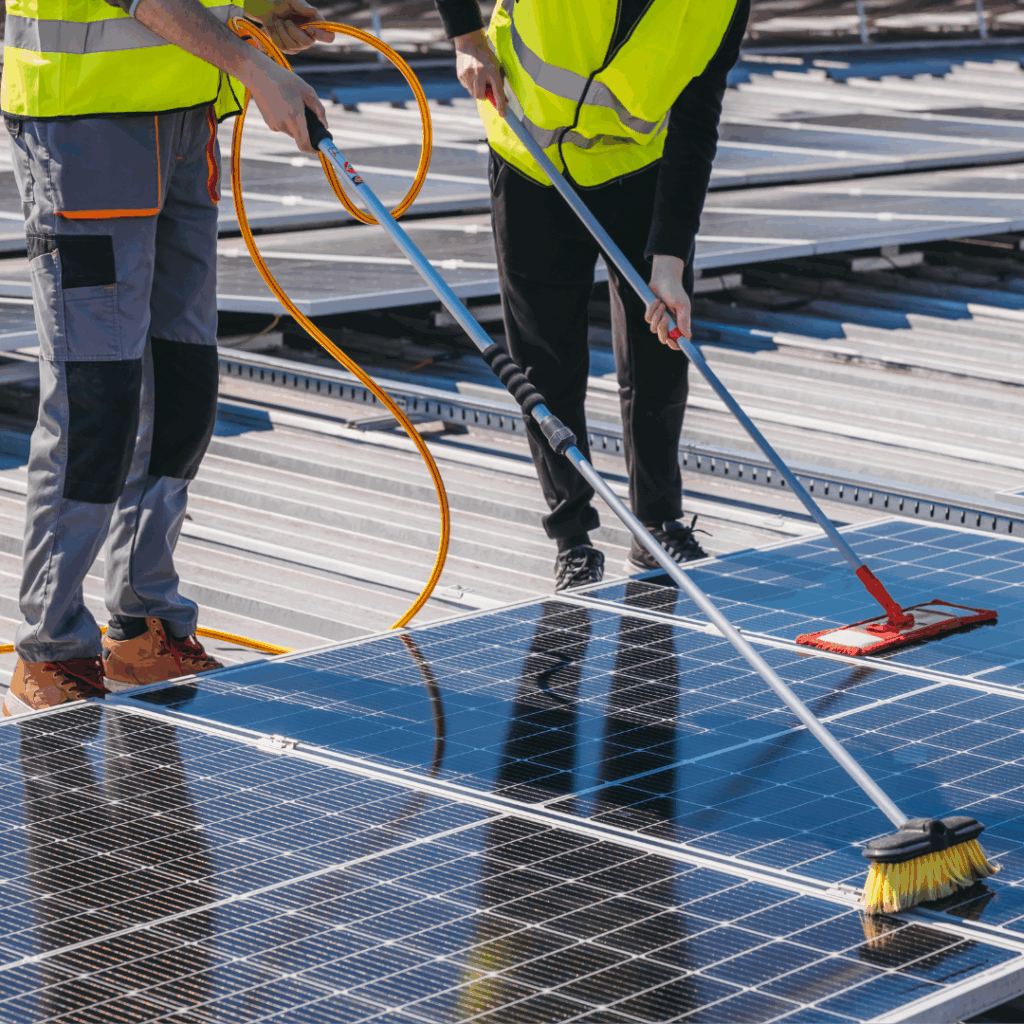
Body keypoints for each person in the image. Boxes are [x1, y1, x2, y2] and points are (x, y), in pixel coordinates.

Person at [0, 0, 332, 715]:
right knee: (98, 398)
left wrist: (251, 11)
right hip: (83, 129)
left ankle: (143, 624)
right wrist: (250, 64)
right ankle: (51, 648)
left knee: (182, 386)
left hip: (183, 121)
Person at [435, 0, 750, 591]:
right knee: (546, 361)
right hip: (530, 157)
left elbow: (696, 113)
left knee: (660, 348)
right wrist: (466, 37)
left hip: (639, 167)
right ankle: (572, 536)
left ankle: (657, 525)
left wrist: (670, 260)